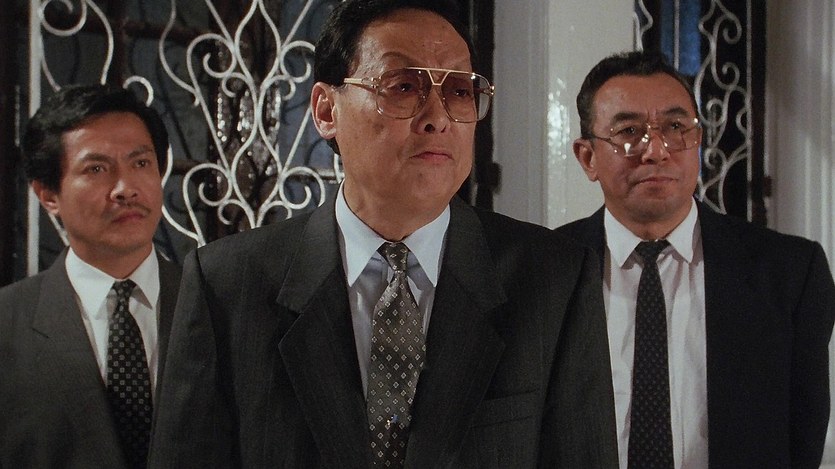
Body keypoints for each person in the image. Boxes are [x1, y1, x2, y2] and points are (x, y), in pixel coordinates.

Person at [148, 0, 618, 467]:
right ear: (326, 110)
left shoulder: (552, 279)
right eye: (404, 86)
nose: (437, 117)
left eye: (459, 91)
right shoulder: (227, 284)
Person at [555, 50, 835, 468]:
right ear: (588, 157)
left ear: (698, 140)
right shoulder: (545, 269)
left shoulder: (789, 273)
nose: (656, 151)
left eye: (675, 128)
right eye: (629, 131)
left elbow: (803, 434)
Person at [0, 84, 181, 469]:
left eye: (141, 163)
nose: (125, 189)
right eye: (96, 169)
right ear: (48, 195)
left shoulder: (217, 307)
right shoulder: (8, 323)